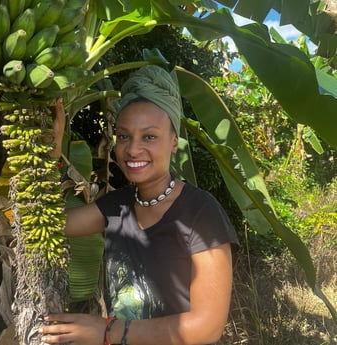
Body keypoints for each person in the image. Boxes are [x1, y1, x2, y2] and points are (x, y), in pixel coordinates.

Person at [40, 65, 239, 345]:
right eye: (123, 136)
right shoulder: (116, 206)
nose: (133, 149)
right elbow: (48, 223)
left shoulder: (200, 213)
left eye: (149, 136)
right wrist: (53, 151)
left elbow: (207, 327)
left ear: (173, 142)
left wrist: (106, 332)